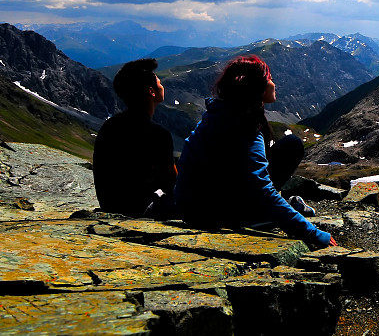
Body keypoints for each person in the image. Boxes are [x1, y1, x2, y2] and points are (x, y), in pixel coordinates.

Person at [174, 55, 336, 247]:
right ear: (256, 88)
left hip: (193, 206)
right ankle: (257, 217)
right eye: (269, 79)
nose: (274, 83)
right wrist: (310, 232)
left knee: (290, 145)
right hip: (215, 213)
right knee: (292, 145)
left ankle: (266, 210)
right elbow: (261, 187)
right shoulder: (244, 126)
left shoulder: (218, 114)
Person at [93, 58, 176, 217]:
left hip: (110, 205)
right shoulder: (158, 134)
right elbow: (171, 180)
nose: (162, 85)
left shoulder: (109, 127)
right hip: (142, 210)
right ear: (151, 91)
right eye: (159, 83)